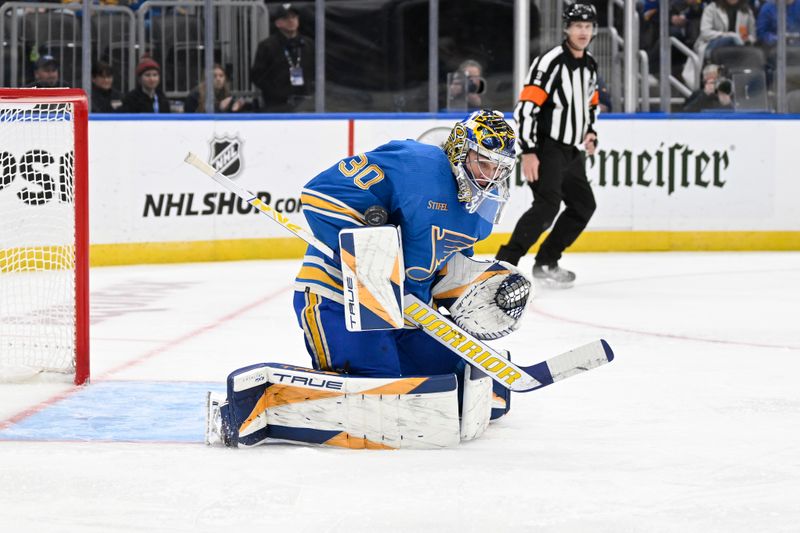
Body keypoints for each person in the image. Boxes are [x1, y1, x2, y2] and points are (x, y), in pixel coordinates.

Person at [207, 110, 527, 449]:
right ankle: (262, 400)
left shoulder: (480, 213)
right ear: (461, 150)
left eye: (499, 168)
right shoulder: (414, 164)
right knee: (383, 401)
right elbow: (320, 195)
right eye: (483, 163)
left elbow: (440, 271)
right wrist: (371, 249)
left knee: (467, 381)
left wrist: (476, 293)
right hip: (340, 300)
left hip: (404, 314)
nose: (489, 176)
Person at [495, 2, 600, 289]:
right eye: (577, 26)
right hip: (545, 148)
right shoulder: (551, 61)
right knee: (546, 207)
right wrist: (528, 150)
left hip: (570, 150)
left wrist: (589, 132)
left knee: (583, 205)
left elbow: (591, 102)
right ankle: (504, 265)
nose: (583, 31)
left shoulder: (589, 64)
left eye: (588, 26)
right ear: (567, 28)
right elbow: (526, 108)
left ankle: (546, 262)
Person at [250, 3, 315, 112]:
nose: (291, 21)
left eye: (294, 17)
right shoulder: (267, 46)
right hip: (277, 105)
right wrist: (275, 93)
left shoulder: (308, 44)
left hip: (305, 103)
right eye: (286, 18)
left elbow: (317, 70)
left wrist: (311, 89)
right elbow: (257, 75)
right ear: (278, 23)